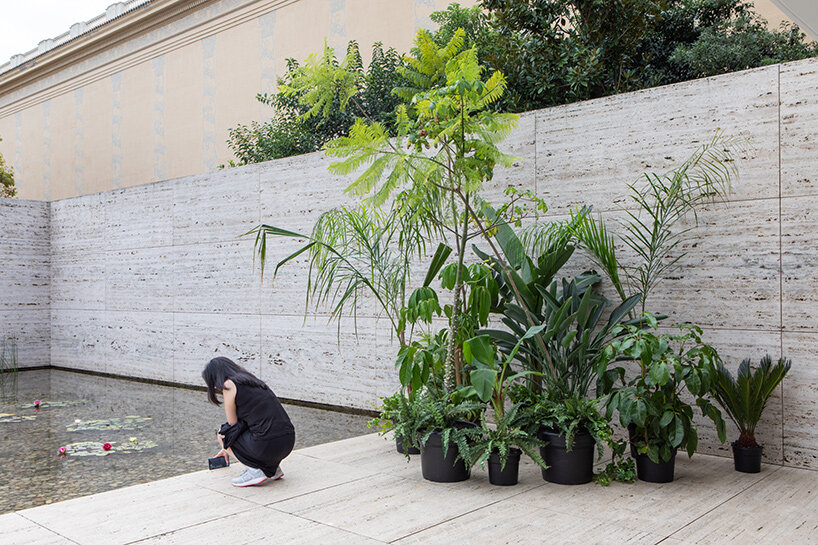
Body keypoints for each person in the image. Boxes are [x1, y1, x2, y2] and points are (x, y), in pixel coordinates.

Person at [202, 357, 295, 487]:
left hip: (267, 445)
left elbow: (232, 423)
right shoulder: (253, 381)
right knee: (256, 429)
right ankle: (273, 470)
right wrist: (226, 449)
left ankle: (255, 471)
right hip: (288, 441)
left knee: (222, 433)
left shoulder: (228, 385)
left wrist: (226, 444)